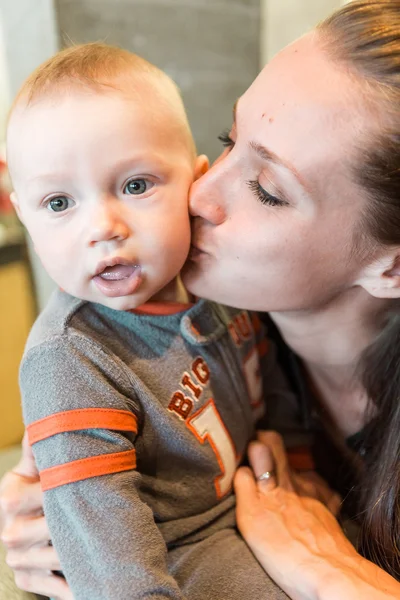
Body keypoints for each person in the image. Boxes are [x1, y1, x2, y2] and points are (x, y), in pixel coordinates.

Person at [2, 0, 400, 598]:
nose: (199, 190)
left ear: (390, 264)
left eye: (267, 190)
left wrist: (337, 578)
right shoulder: (92, 350)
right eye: (230, 138)